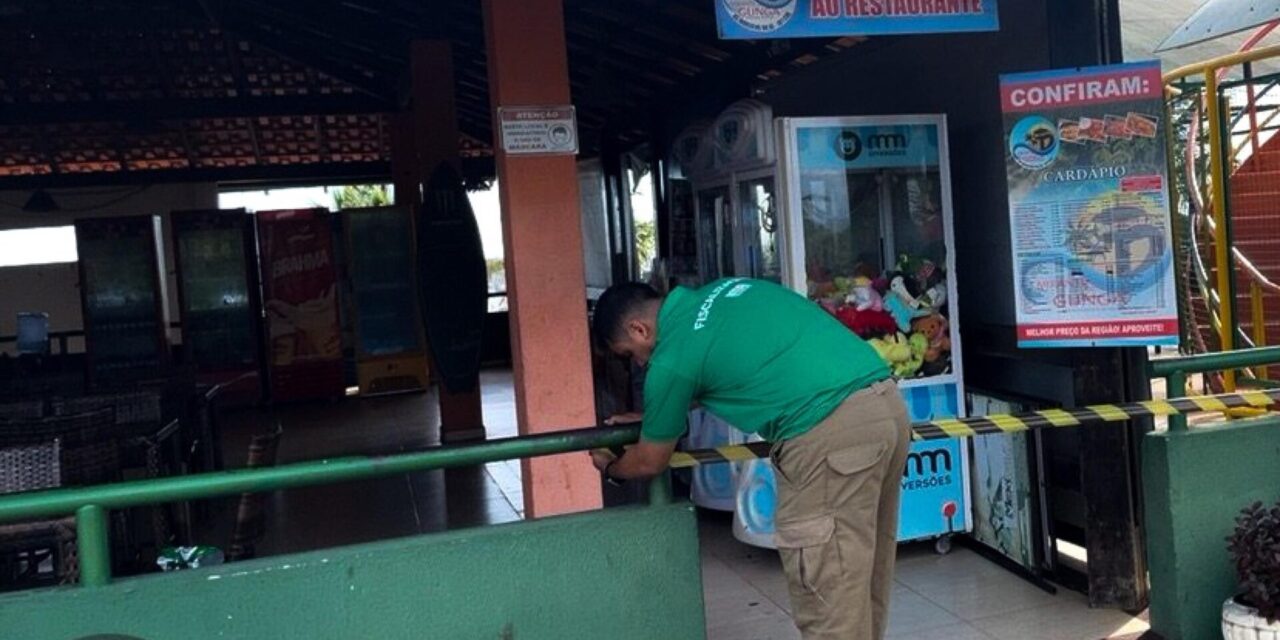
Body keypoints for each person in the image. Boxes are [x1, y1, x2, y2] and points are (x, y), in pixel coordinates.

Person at [590, 277, 911, 640]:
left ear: (639, 328)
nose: (641, 363)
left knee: (829, 602)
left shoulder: (671, 357)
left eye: (630, 353)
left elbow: (650, 460)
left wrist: (610, 468)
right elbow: (733, 366)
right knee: (860, 584)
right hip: (886, 409)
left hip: (827, 435)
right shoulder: (725, 292)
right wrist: (660, 413)